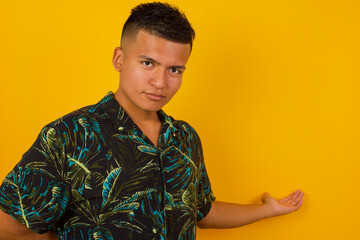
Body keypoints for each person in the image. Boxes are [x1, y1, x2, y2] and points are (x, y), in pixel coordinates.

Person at [0, 2, 304, 240]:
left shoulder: (185, 137)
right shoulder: (69, 135)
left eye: (175, 70)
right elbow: (8, 225)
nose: (160, 82)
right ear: (120, 59)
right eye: (148, 63)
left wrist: (265, 211)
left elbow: (200, 211)